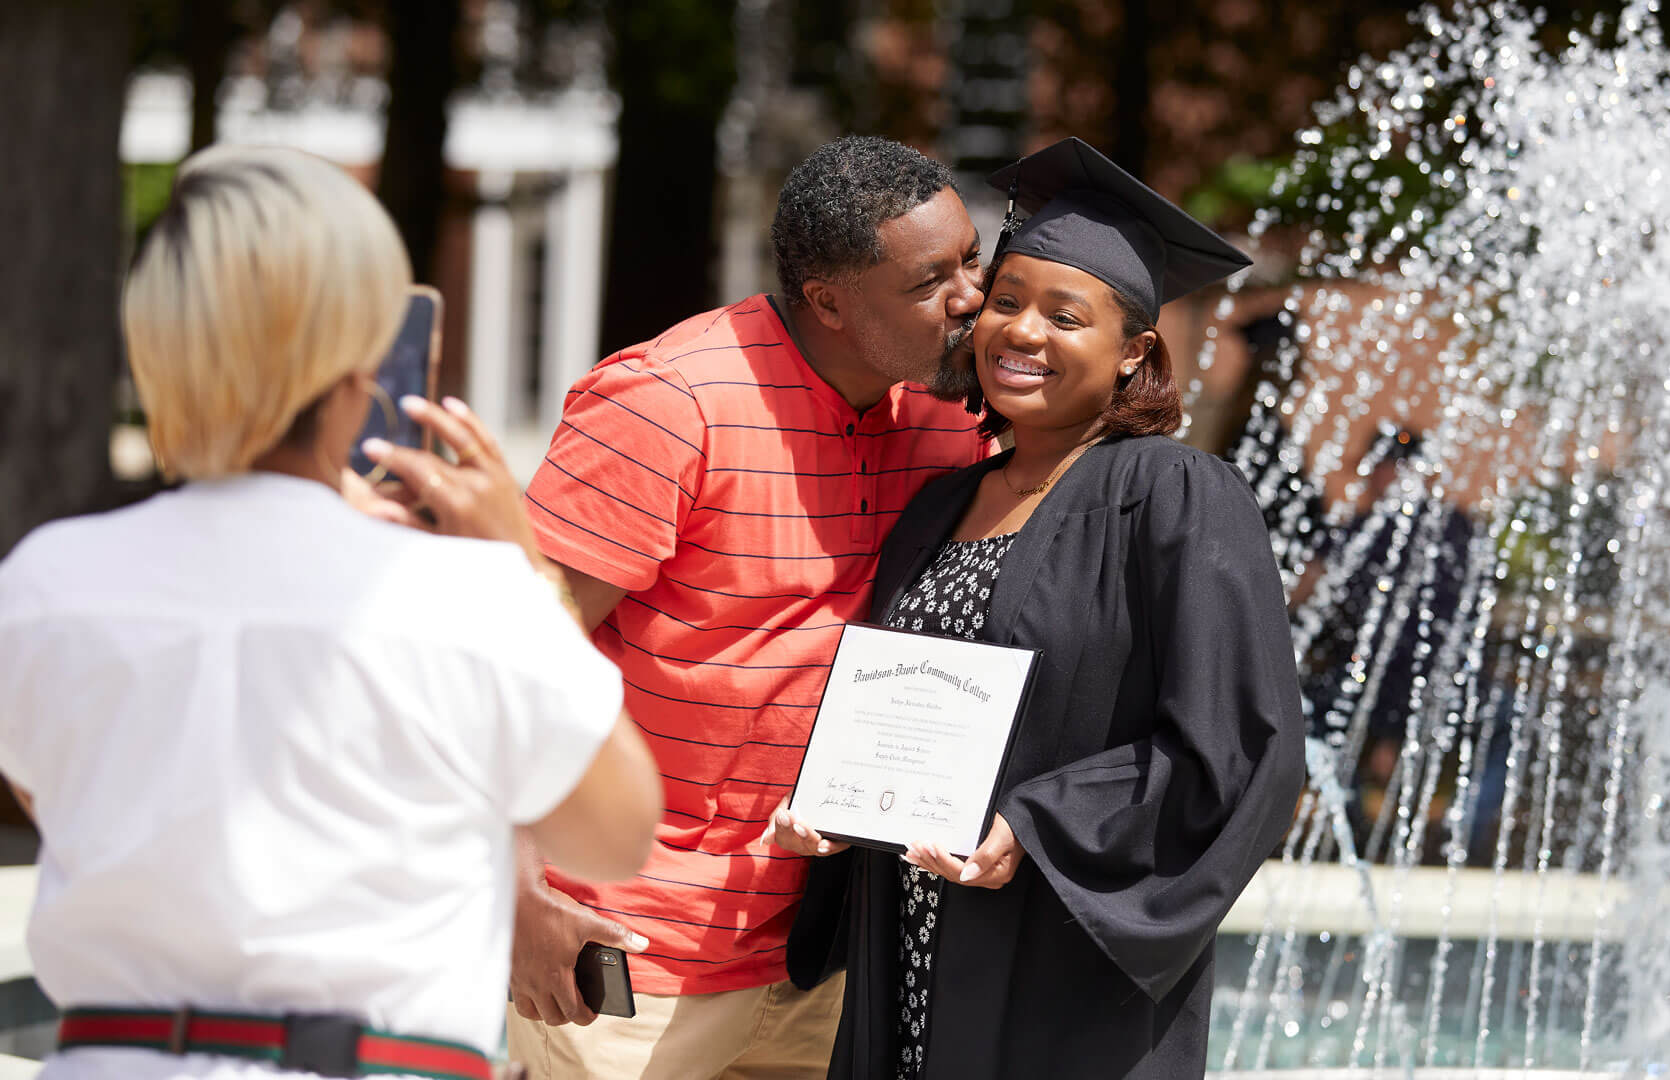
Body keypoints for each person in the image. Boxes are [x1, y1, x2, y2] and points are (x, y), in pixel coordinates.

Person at [0, 146, 662, 1080]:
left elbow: (53, 791)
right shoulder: (460, 596)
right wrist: (522, 564)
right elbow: (617, 832)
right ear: (362, 365)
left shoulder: (46, 583)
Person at [774, 137, 1308, 1079]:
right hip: (908, 939)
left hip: (1060, 959)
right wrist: (837, 800)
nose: (1021, 332)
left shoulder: (1176, 495)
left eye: (1067, 316)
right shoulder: (943, 503)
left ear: (1135, 348)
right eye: (1007, 301)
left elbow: (1239, 749)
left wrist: (1037, 824)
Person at [505, 136, 987, 1079]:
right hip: (628, 947)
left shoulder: (947, 419)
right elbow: (513, 662)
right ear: (830, 302)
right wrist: (516, 894)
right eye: (932, 279)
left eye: (972, 258)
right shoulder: (667, 403)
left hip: (825, 951)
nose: (970, 295)